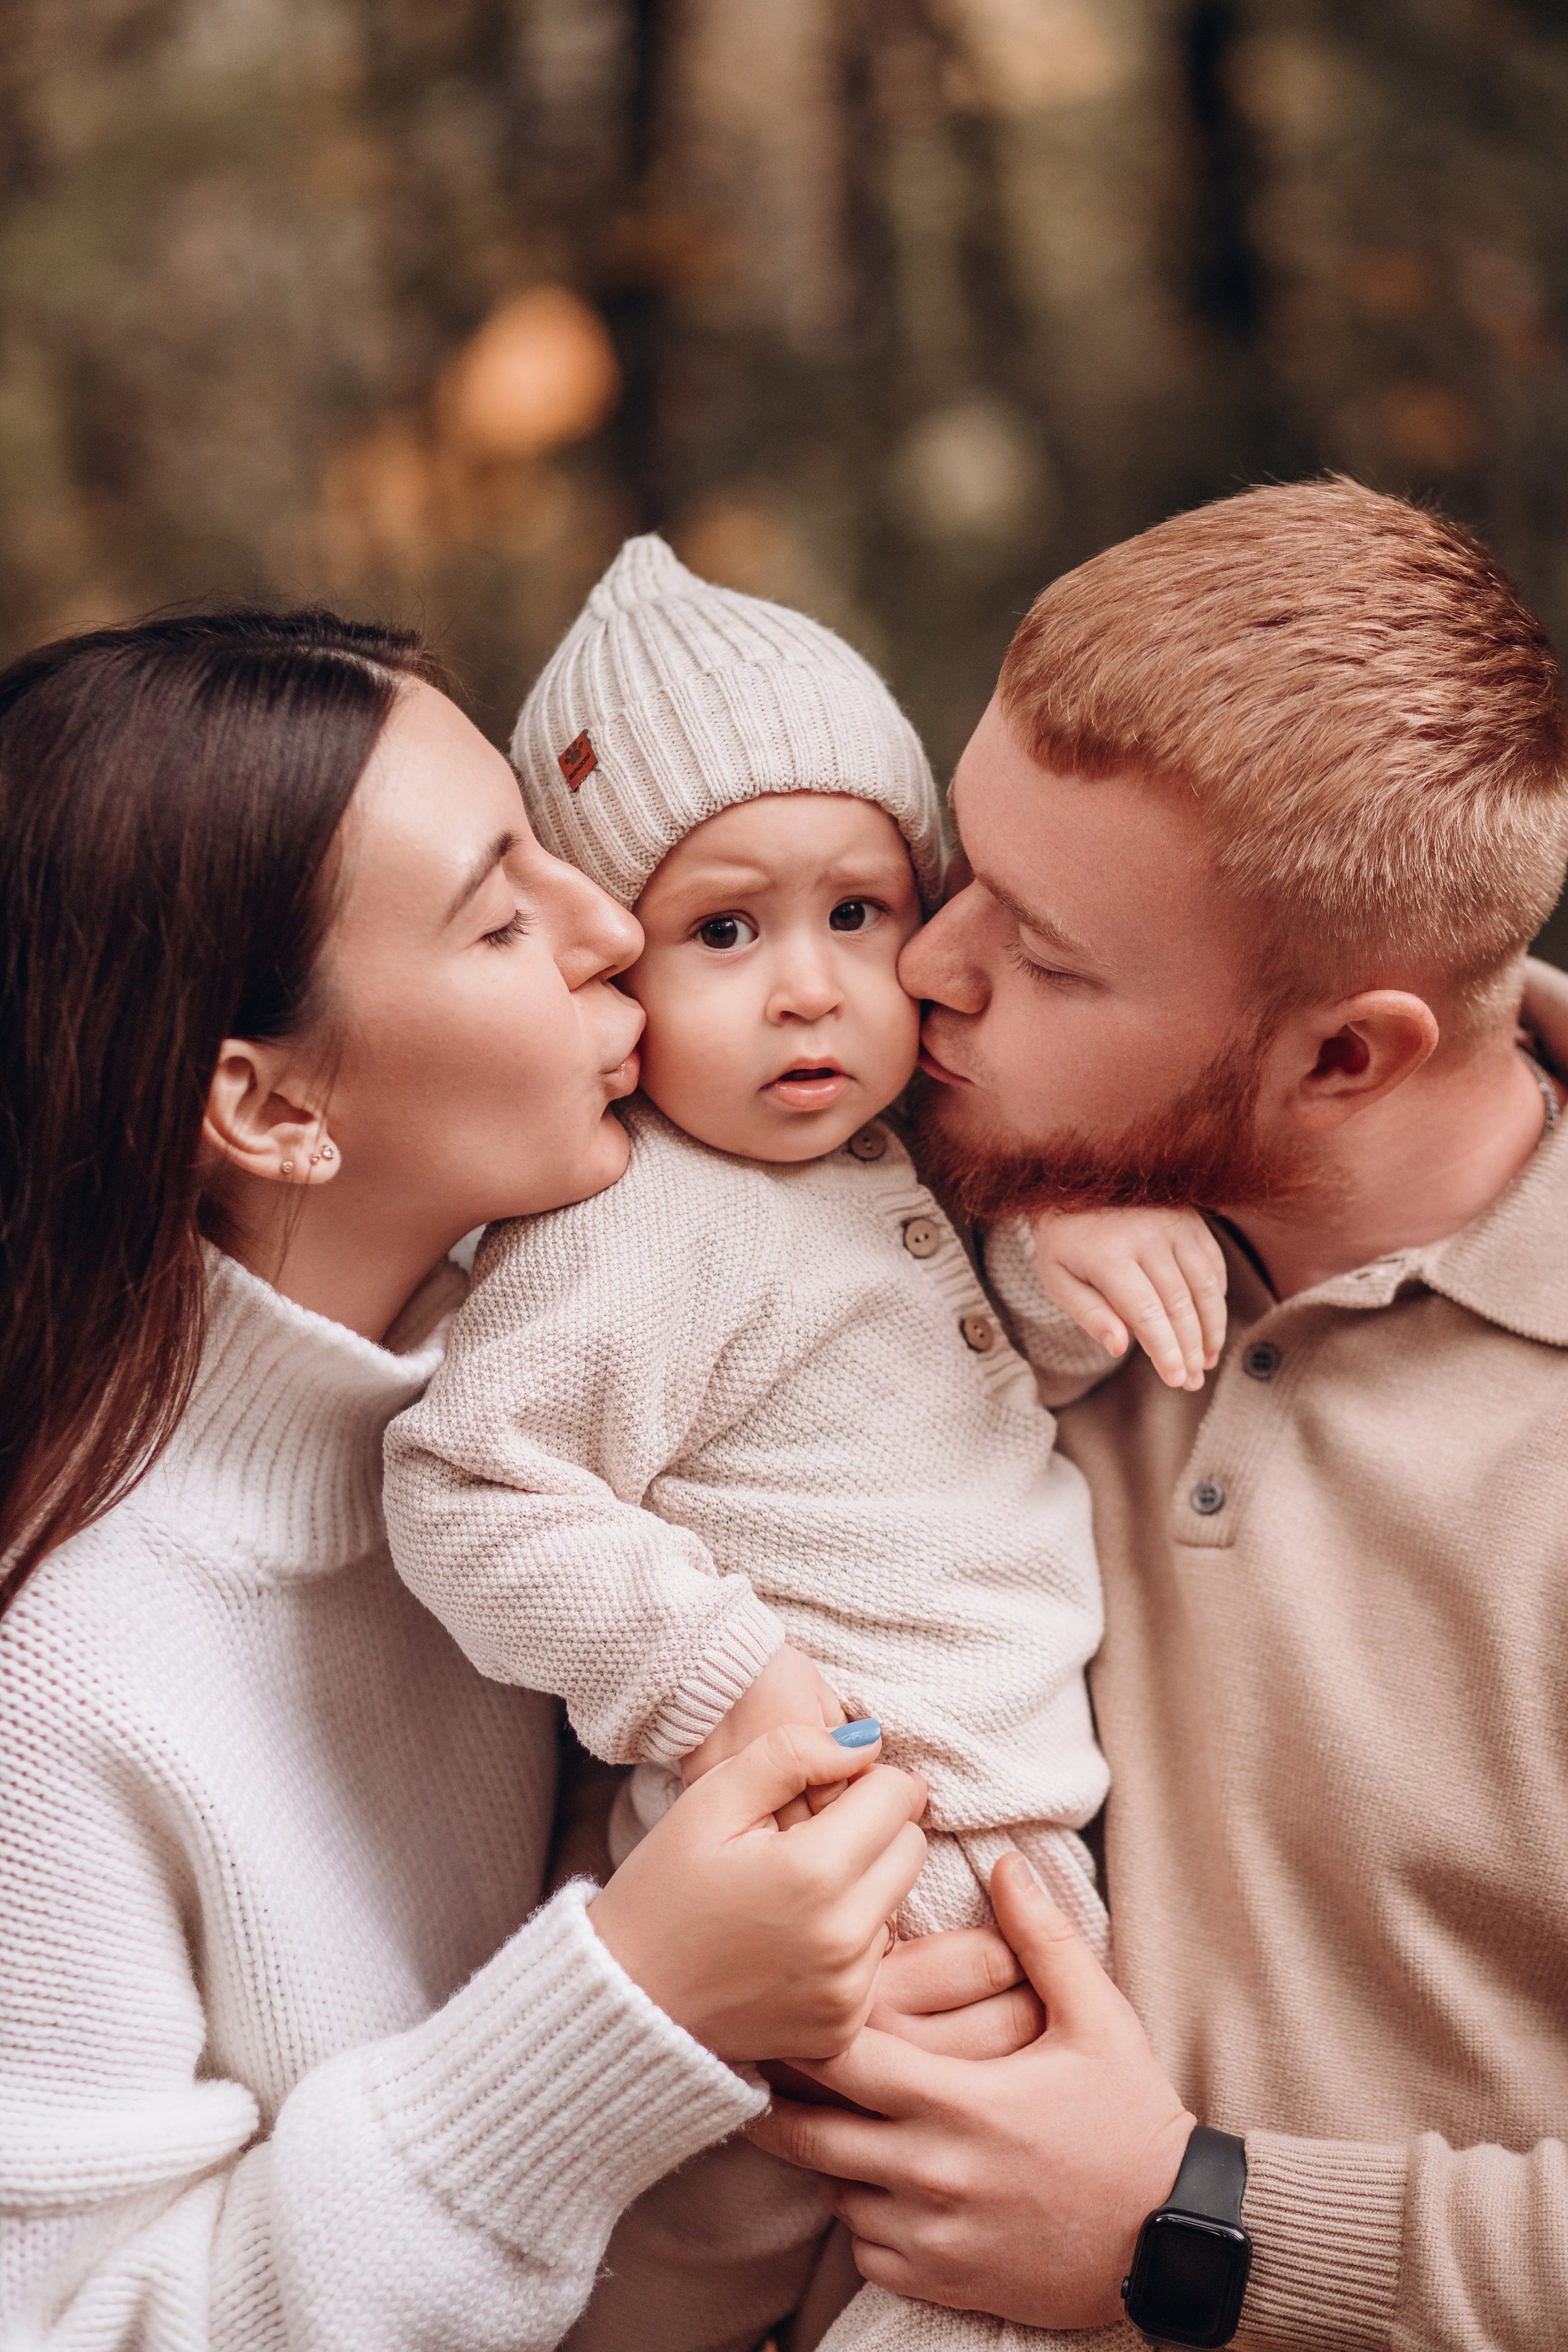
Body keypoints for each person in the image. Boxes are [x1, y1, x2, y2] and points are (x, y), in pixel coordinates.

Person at [0, 609, 943, 2352]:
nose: (614, 933)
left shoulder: (579, 1379)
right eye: (506, 914)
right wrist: (633, 2008)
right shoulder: (58, 1672)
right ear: (269, 1109)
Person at [745, 477, 1568, 2352]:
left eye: (1042, 955)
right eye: (958, 873)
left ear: (1347, 1056)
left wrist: (1197, 2229)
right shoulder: (890, 1194)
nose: (922, 972)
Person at [382, 536, 1227, 2352]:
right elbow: (463, 1482)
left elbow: (932, 1411)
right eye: (724, 931)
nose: (807, 989)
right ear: (610, 971)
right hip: (836, 1847)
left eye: (856, 915)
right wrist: (722, 1675)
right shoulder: (637, 1224)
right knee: (814, 2275)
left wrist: (1057, 1283)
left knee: (881, 2269)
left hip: (982, 1847)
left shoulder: (883, 1177)